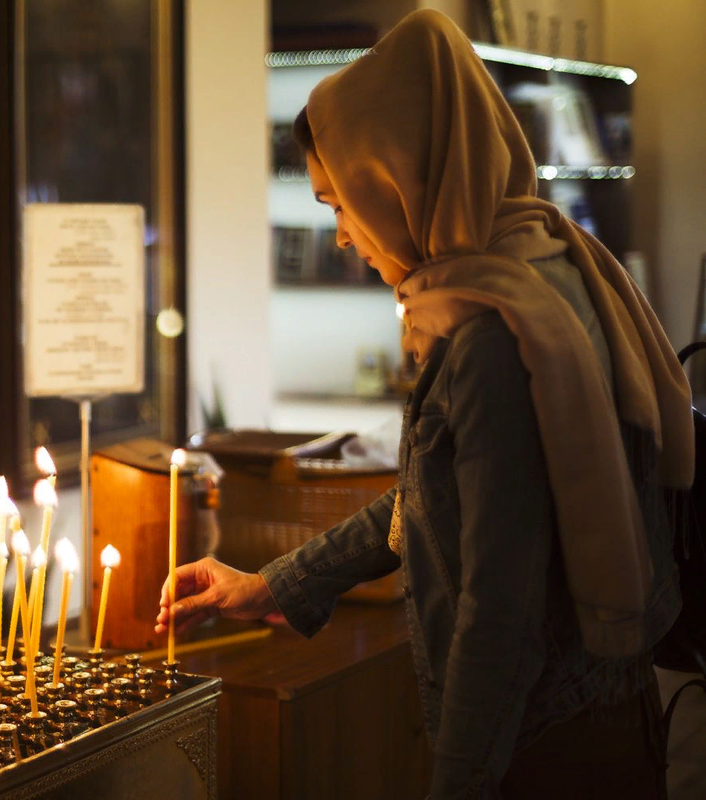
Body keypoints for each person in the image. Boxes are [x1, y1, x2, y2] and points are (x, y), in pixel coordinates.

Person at [156, 10, 693, 799]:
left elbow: (498, 617)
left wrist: (458, 782)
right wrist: (272, 584)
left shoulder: (494, 339)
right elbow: (436, 497)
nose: (339, 235)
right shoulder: (543, 268)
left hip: (545, 755)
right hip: (605, 723)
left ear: (396, 180)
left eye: (339, 203)